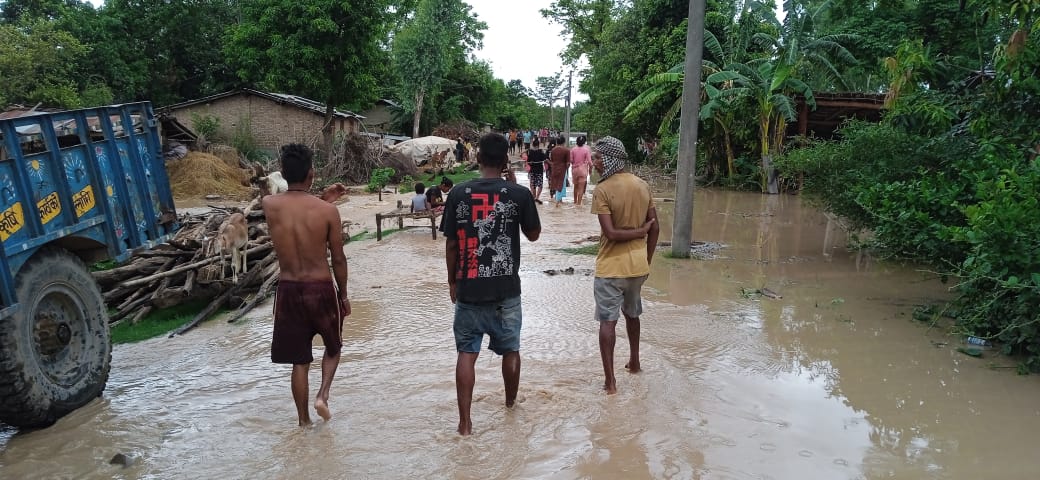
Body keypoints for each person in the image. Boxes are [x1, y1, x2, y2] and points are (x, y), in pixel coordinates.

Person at [442, 132, 541, 435]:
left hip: (469, 289)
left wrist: (452, 281)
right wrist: (514, 186)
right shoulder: (518, 194)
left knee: (466, 354)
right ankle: (511, 406)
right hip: (506, 292)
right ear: (504, 161)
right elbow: (534, 234)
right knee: (510, 350)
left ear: (478, 158)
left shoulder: (458, 193)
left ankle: (465, 423)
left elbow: (451, 246)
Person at [262, 143, 351, 425]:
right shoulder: (328, 212)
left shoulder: (269, 205)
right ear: (312, 173)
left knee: (299, 362)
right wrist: (344, 295)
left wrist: (319, 196)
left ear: (284, 173)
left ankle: (303, 422)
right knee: (333, 348)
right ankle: (323, 395)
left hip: (289, 291)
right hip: (321, 289)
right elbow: (338, 259)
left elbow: (292, 207)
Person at [589, 136, 659, 395]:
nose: (594, 162)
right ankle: (635, 362)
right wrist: (647, 259)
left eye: (597, 157)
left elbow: (611, 233)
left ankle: (610, 383)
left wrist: (639, 231)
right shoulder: (642, 185)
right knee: (633, 313)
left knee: (608, 322)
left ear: (609, 159)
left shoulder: (603, 190)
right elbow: (656, 228)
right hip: (637, 267)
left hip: (610, 268)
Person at [548, 136, 570, 208]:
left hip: (554, 169)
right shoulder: (566, 150)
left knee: (556, 184)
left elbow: (552, 160)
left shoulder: (553, 150)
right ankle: (557, 203)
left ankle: (559, 200)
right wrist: (567, 168)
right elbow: (568, 163)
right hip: (562, 170)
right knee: (561, 185)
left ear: (557, 142)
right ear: (564, 142)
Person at [569, 136, 592, 206]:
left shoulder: (572, 150)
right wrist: (591, 168)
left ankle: (575, 202)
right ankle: (579, 204)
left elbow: (571, 160)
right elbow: (590, 161)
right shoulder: (586, 150)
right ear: (584, 142)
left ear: (576, 142)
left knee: (575, 187)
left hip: (575, 170)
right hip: (583, 170)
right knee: (581, 188)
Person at [525, 139, 546, 204]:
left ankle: (534, 197)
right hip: (539, 170)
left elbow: (528, 161)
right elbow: (544, 159)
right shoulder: (541, 151)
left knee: (532, 184)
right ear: (538, 145)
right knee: (540, 185)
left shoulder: (530, 152)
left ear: (533, 145)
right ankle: (537, 197)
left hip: (532, 171)